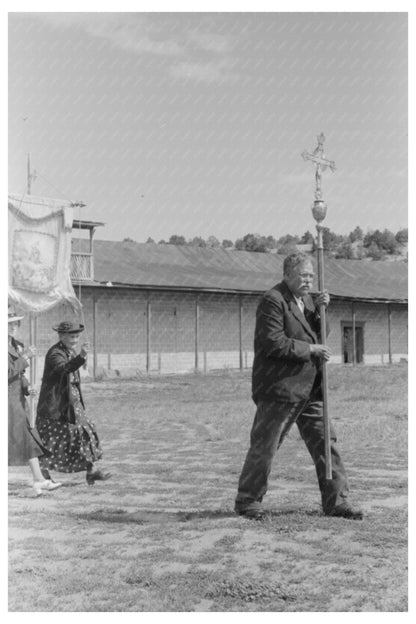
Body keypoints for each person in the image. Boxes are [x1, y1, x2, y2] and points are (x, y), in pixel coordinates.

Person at [234, 252, 363, 520]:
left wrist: (322, 312)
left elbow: (319, 334)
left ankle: (337, 502)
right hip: (280, 388)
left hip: (311, 389)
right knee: (266, 445)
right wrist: (311, 348)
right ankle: (248, 501)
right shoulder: (273, 300)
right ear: (287, 274)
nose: (309, 280)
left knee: (326, 443)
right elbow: (273, 342)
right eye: (303, 275)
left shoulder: (307, 301)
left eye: (311, 276)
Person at [36, 320, 111, 485]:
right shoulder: (55, 353)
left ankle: (91, 470)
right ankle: (42, 475)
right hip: (55, 405)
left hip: (71, 402)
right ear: (62, 336)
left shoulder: (69, 350)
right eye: (72, 337)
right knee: (51, 439)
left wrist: (80, 356)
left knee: (84, 432)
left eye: (77, 337)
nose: (75, 340)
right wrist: (82, 356)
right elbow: (64, 369)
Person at [8, 308, 62, 496]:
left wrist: (27, 387)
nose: (14, 327)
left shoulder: (16, 346)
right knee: (20, 438)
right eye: (9, 323)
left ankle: (39, 480)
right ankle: (39, 480)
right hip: (7, 401)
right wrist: (25, 358)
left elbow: (18, 375)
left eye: (15, 323)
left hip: (16, 401)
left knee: (27, 438)